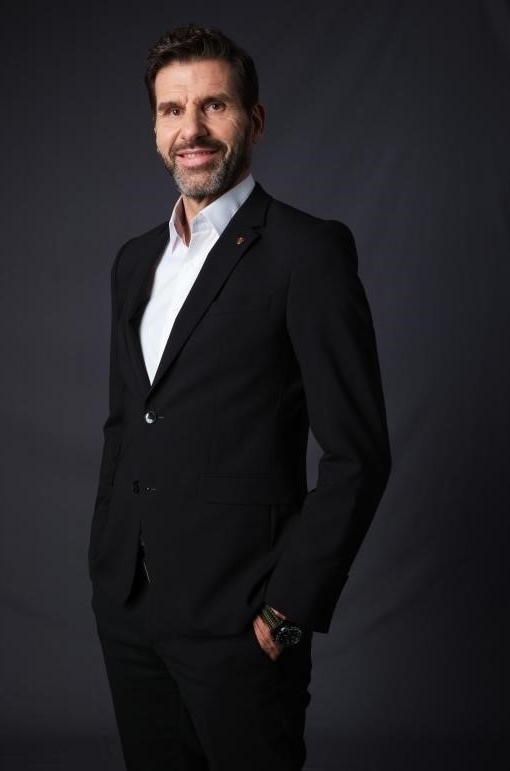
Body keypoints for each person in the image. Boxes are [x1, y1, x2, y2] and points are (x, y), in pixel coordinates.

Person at [88, 23, 391, 771]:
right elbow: (127, 422)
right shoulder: (134, 261)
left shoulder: (307, 252)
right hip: (130, 612)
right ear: (155, 127)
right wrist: (105, 565)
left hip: (242, 619)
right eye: (172, 109)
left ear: (253, 119)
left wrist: (286, 613)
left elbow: (358, 455)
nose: (190, 129)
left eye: (213, 105)